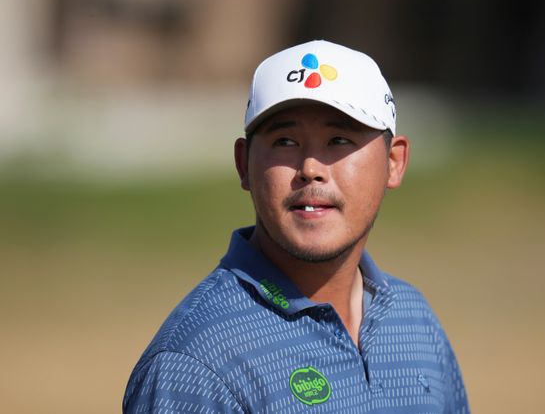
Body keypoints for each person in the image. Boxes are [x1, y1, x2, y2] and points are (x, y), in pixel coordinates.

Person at [123, 40, 469, 413]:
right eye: (285, 141)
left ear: (394, 162)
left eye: (339, 140)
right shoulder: (195, 364)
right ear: (243, 165)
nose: (310, 168)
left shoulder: (413, 321)